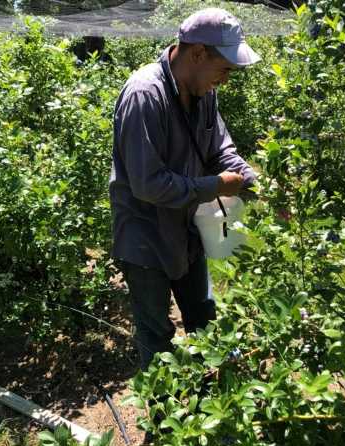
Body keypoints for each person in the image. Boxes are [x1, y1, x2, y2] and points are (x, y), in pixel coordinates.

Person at [109, 8, 260, 370]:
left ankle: (217, 400)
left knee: (203, 317)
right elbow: (147, 184)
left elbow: (220, 150)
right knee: (156, 335)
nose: (226, 79)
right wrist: (214, 186)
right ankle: (164, 418)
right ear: (197, 54)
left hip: (186, 228)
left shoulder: (204, 91)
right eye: (224, 68)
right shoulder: (145, 96)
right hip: (145, 238)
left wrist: (256, 183)